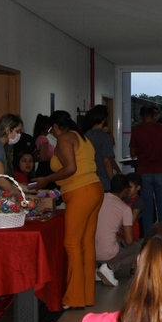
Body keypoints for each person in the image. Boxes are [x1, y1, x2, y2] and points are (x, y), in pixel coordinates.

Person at [32, 110, 103, 309]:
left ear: (56, 127)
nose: (52, 133)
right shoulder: (80, 137)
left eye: (51, 129)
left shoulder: (64, 139)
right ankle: (87, 295)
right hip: (94, 189)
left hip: (81, 192)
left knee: (72, 244)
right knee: (86, 243)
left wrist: (46, 179)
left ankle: (74, 298)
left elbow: (70, 168)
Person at [130, 106, 162, 234]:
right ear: (154, 116)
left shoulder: (137, 131)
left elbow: (132, 153)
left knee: (147, 206)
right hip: (160, 170)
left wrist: (142, 152)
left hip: (143, 172)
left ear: (141, 117)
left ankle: (149, 236)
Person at [95, 175, 141, 287]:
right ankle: (111, 267)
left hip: (91, 251)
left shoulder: (99, 198)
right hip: (107, 253)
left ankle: (97, 269)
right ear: (125, 190)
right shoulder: (124, 208)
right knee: (138, 248)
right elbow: (129, 241)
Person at [83, 104, 121, 191]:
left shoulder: (85, 135)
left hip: (89, 179)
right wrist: (112, 180)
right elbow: (107, 161)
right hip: (103, 180)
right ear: (104, 119)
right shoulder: (104, 137)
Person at [32, 113, 56, 180]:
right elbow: (43, 157)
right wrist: (57, 157)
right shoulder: (42, 139)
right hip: (46, 170)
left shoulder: (41, 138)